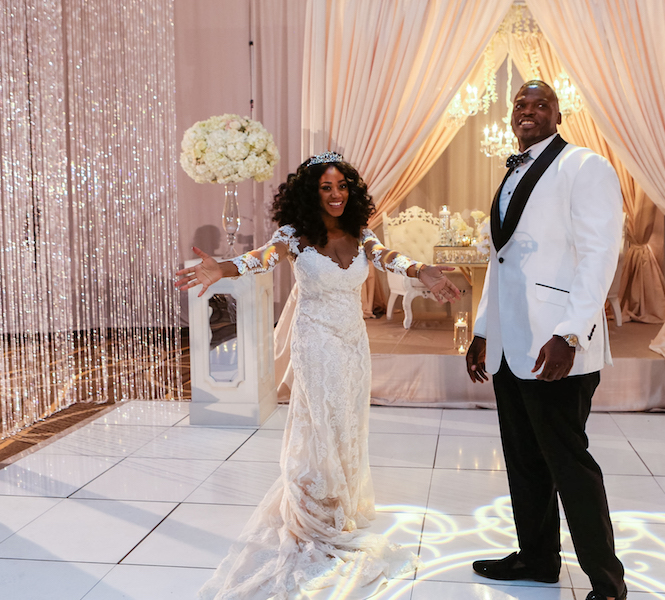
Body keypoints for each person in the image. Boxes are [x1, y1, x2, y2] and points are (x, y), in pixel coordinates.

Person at [175, 151, 460, 600]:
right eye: (326, 187)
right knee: (322, 420)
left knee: (348, 419)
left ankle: (341, 498)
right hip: (315, 340)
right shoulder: (295, 235)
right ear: (312, 193)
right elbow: (260, 258)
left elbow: (387, 257)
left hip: (353, 341)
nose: (335, 195)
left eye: (342, 186)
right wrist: (223, 268)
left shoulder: (361, 233)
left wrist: (421, 269)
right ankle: (315, 506)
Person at [465, 81, 627, 600]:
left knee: (569, 463)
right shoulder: (512, 172)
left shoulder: (586, 166)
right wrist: (483, 331)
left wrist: (569, 333)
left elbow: (599, 256)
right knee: (523, 459)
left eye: (541, 104)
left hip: (556, 346)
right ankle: (537, 559)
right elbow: (501, 260)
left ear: (559, 115)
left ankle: (607, 582)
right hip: (510, 343)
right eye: (520, 104)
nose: (528, 111)